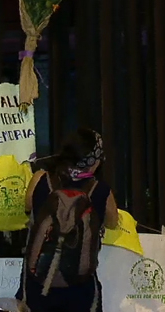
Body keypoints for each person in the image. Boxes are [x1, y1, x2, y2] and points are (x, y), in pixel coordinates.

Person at [16, 128, 118, 312]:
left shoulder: (40, 179)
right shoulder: (101, 190)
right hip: (80, 289)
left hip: (37, 285)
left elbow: (27, 207)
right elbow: (113, 222)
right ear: (93, 161)